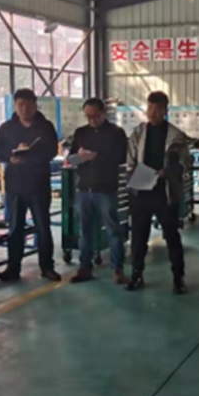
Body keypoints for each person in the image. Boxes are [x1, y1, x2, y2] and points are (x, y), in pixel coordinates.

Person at [0, 88, 61, 282]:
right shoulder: (7, 128)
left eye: (28, 105)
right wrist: (10, 157)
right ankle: (13, 268)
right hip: (15, 186)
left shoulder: (45, 127)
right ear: (15, 106)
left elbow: (52, 151)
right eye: (20, 105)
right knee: (15, 229)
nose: (24, 109)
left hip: (38, 185)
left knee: (43, 227)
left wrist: (30, 157)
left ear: (35, 105)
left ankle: (47, 267)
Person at [126, 91, 190, 293]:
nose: (153, 112)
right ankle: (136, 274)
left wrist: (168, 172)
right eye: (150, 108)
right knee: (139, 238)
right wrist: (134, 178)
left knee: (172, 237)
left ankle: (178, 277)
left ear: (165, 110)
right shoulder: (137, 133)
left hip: (165, 194)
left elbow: (186, 162)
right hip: (141, 193)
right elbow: (130, 161)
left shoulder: (176, 136)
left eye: (158, 109)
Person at [69, 98, 128, 284]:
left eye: (95, 116)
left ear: (103, 113)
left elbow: (121, 157)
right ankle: (84, 268)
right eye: (88, 117)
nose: (91, 120)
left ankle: (117, 268)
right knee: (84, 231)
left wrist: (97, 157)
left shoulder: (116, 133)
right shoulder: (81, 133)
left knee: (113, 230)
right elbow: (71, 159)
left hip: (106, 189)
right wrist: (79, 157)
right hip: (84, 189)